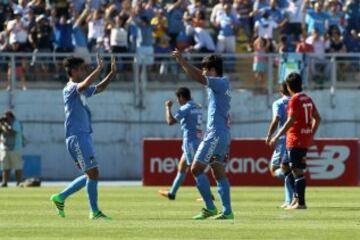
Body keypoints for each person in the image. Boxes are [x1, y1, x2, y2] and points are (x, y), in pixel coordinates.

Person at [50, 54, 116, 220]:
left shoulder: (80, 89)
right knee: (93, 173)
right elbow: (86, 83)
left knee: (91, 174)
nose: (83, 71)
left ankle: (61, 197)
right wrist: (99, 69)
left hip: (82, 136)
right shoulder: (70, 88)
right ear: (72, 71)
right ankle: (94, 212)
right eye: (81, 68)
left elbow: (99, 88)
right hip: (77, 136)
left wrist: (111, 74)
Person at [172, 50, 234, 220]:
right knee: (218, 172)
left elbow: (200, 77)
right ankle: (227, 211)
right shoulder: (222, 83)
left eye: (207, 69)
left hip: (215, 134)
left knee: (196, 169)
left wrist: (182, 62)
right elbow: (201, 76)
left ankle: (210, 207)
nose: (204, 73)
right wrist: (185, 63)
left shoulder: (219, 83)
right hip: (223, 134)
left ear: (213, 70)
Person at [270, 72, 321, 209]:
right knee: (285, 165)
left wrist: (276, 135)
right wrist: (311, 135)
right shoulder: (307, 99)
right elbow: (318, 118)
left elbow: (290, 121)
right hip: (301, 139)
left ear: (288, 86)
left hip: (295, 140)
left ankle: (301, 203)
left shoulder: (294, 100)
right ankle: (294, 198)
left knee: (297, 170)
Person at [159, 87, 203, 200]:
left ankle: (206, 195)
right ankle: (172, 193)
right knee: (182, 167)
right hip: (198, 140)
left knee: (196, 170)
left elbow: (170, 122)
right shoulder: (198, 106)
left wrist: (167, 108)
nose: (177, 101)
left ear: (182, 97)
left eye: (177, 99)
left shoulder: (185, 108)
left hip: (190, 143)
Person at [265, 83, 292, 208]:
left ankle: (294, 179)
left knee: (274, 169)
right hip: (296, 139)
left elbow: (276, 119)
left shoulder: (279, 103)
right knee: (287, 168)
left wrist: (270, 135)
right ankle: (289, 199)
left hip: (283, 140)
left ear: (280, 91)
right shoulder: (296, 101)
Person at [0, 111, 24, 187]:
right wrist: (1, 125)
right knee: (5, 167)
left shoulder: (16, 123)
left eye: (6, 117)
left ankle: (19, 182)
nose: (5, 119)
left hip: (15, 148)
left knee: (17, 166)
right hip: (5, 148)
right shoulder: (3, 124)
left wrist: (6, 125)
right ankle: (4, 182)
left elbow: (13, 133)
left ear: (11, 117)